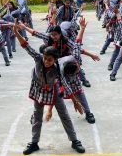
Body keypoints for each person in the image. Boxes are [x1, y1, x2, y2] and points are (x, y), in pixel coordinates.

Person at [14, 22, 86, 155]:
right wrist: (17, 32)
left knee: (65, 115)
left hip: (54, 91)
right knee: (37, 116)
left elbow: (64, 84)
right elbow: (26, 46)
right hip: (38, 90)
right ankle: (34, 142)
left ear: (55, 60)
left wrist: (75, 101)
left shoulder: (58, 68)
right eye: (45, 59)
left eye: (49, 60)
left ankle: (75, 140)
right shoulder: (38, 59)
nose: (46, 62)